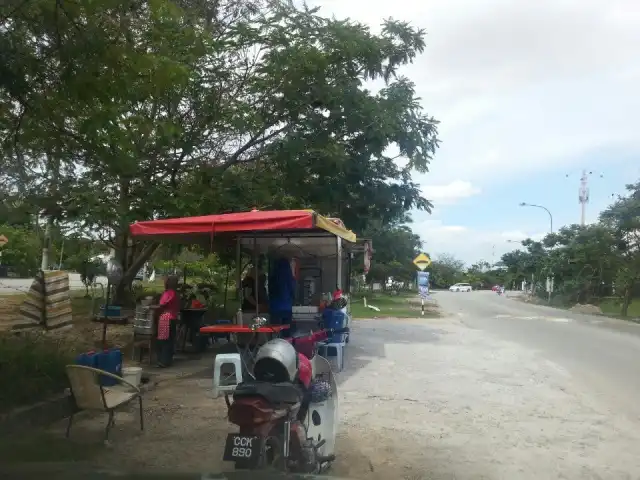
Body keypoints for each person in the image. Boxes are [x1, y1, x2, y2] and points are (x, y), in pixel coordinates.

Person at [268, 257, 296, 337]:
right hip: (287, 308)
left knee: (275, 331)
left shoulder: (273, 277)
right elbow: (293, 292)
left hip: (275, 308)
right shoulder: (289, 277)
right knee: (286, 332)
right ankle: (285, 347)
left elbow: (270, 292)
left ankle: (274, 347)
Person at [156, 275, 180, 367]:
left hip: (167, 318)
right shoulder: (176, 293)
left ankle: (163, 361)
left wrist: (150, 307)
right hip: (173, 318)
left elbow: (162, 304)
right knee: (170, 340)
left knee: (164, 341)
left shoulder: (169, 293)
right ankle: (168, 360)